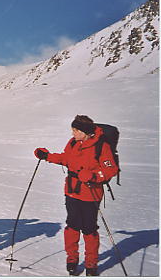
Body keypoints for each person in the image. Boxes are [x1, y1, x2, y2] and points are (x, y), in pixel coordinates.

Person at [34, 115, 119, 276]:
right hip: (72, 191)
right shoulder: (73, 143)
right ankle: (72, 260)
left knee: (89, 229)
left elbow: (110, 170)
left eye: (76, 130)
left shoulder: (101, 146)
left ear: (85, 132)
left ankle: (91, 264)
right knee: (72, 226)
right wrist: (47, 156)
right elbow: (65, 158)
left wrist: (94, 176)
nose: (73, 133)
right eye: (73, 130)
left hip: (90, 194)